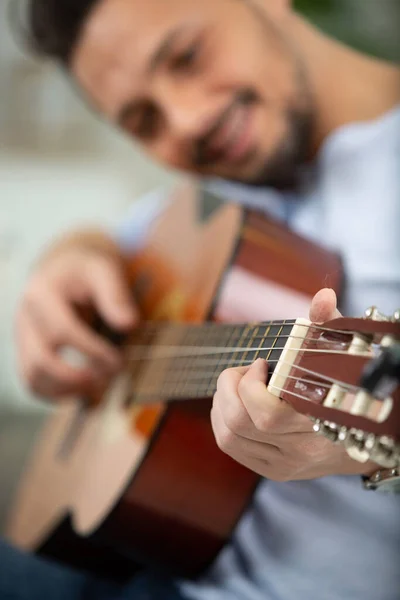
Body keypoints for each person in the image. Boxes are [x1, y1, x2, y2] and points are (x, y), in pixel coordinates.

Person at [1, 0, 399, 598]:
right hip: (131, 551)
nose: (185, 121)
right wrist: (67, 257)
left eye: (187, 56)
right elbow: (121, 238)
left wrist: (369, 453)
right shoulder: (225, 186)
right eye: (142, 121)